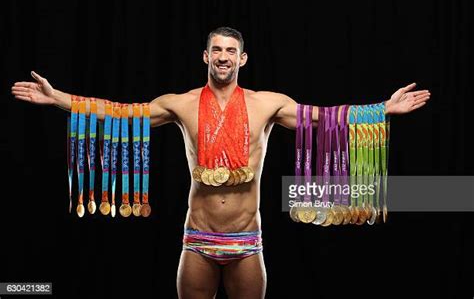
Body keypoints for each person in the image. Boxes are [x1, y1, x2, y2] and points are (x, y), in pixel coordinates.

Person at [11, 26, 430, 299]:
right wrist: (59, 99)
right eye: (217, 50)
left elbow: (323, 118)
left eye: (231, 50)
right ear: (206, 57)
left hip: (248, 242)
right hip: (198, 239)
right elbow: (125, 113)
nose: (224, 56)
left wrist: (382, 109)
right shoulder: (183, 104)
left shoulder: (269, 104)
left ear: (242, 58)